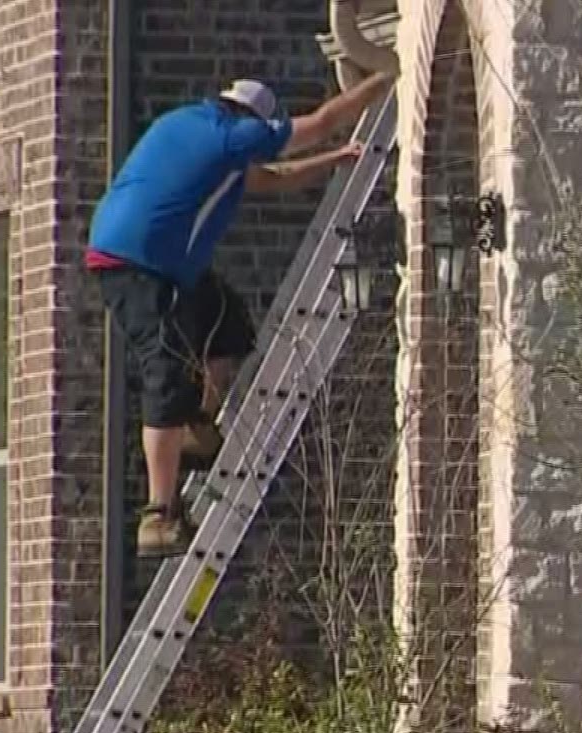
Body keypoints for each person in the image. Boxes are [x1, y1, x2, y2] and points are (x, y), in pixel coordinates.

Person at [87, 70, 394, 558]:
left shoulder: (192, 126)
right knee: (164, 372)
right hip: (139, 267)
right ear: (257, 121)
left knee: (226, 324)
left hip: (160, 264)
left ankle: (197, 426)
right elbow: (323, 120)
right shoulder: (236, 133)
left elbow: (269, 179)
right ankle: (158, 514)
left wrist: (333, 161)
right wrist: (385, 77)